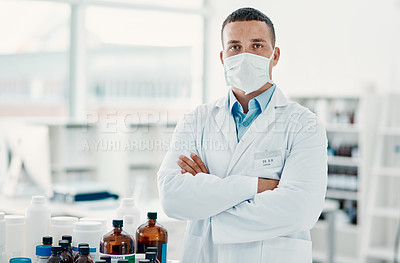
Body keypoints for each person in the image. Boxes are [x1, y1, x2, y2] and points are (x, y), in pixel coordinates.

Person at [157, 7, 327, 263]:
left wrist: (209, 200)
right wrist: (258, 185)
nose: (245, 55)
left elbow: (300, 210)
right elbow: (172, 198)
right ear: (223, 57)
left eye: (257, 46)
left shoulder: (305, 124)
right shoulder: (196, 119)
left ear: (275, 55)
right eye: (235, 47)